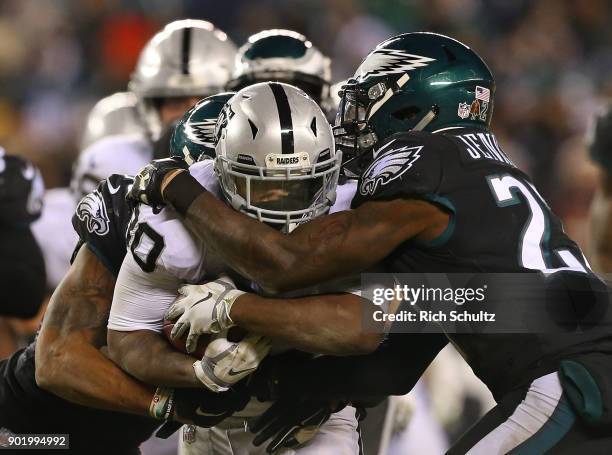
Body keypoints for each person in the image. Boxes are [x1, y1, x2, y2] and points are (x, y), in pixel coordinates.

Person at [131, 32, 612, 454]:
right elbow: (401, 359)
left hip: (567, 380)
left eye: (370, 101)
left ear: (415, 106)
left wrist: (177, 186)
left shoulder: (425, 157)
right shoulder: (483, 183)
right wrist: (298, 385)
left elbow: (288, 263)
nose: (354, 119)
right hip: (584, 366)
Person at [111, 82, 377, 455]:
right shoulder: (174, 228)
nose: (284, 207)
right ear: (222, 176)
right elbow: (127, 336)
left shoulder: (355, 209)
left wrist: (234, 308)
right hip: (210, 423)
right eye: (265, 188)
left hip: (318, 416)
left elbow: (370, 325)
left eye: (301, 188)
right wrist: (198, 374)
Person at [0, 95, 249, 455]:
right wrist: (169, 403)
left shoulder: (308, 230)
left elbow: (361, 324)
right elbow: (54, 361)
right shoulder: (135, 222)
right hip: (32, 431)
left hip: (119, 437)